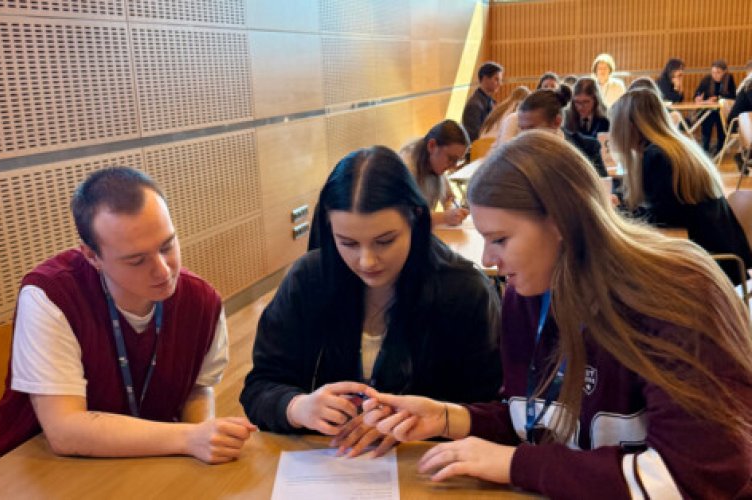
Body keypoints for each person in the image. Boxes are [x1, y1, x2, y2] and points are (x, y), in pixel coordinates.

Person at [361, 131, 752, 499]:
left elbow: (691, 480)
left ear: (562, 221)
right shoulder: (526, 295)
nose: (487, 260)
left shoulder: (678, 294)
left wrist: (515, 465)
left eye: (500, 240)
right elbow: (540, 425)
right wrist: (450, 418)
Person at [241, 146, 502, 458]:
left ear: (416, 220)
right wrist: (296, 407)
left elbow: (490, 410)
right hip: (327, 463)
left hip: (423, 466)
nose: (366, 261)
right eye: (348, 243)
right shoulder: (307, 280)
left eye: (385, 241)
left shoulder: (464, 291)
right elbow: (260, 386)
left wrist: (415, 423)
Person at [0, 167, 257, 461]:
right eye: (137, 260)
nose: (163, 271)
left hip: (147, 456)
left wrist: (204, 437)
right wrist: (189, 438)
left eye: (167, 246)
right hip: (40, 463)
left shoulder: (201, 301)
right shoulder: (50, 295)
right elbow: (65, 430)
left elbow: (197, 389)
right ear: (92, 256)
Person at [610, 88, 752, 283]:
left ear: (631, 126)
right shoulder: (675, 147)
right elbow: (669, 209)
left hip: (709, 265)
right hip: (723, 256)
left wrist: (618, 212)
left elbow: (662, 220)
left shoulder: (657, 156)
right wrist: (625, 206)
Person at [517, 86, 608, 177]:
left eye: (531, 128)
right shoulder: (517, 154)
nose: (524, 136)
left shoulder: (588, 148)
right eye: (522, 128)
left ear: (557, 122)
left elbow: (603, 183)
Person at [398, 120, 470, 226]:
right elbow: (406, 216)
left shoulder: (435, 165)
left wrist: (452, 209)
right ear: (432, 146)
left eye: (457, 160)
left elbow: (449, 198)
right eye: (451, 159)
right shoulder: (406, 168)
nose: (454, 166)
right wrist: (445, 217)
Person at [694, 59, 737, 153]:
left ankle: (720, 149)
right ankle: (705, 148)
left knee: (721, 122)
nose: (715, 75)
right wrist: (698, 97)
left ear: (724, 72)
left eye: (718, 72)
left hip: (722, 111)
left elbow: (733, 97)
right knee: (708, 119)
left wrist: (717, 98)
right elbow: (697, 93)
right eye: (713, 72)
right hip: (708, 110)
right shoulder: (707, 79)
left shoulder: (729, 79)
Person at [462, 61, 504, 141]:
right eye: (496, 79)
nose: (500, 84)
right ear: (485, 78)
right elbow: (475, 137)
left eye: (500, 80)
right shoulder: (474, 105)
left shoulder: (491, 101)